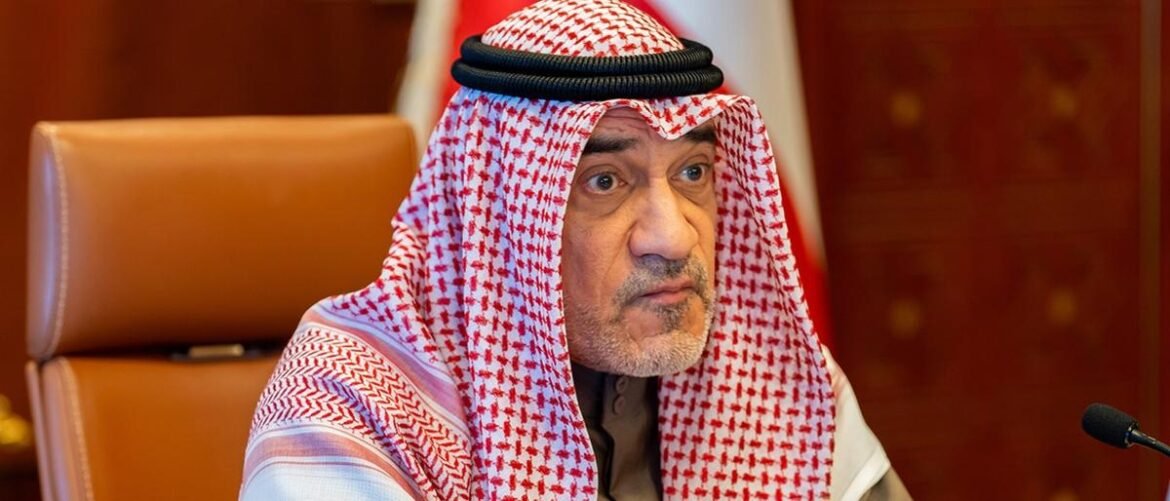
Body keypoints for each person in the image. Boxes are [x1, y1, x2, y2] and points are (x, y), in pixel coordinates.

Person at [240, 0, 909, 499]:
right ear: (503, 209)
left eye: (693, 173)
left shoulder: (774, 372)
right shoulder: (350, 402)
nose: (673, 238)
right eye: (605, 182)